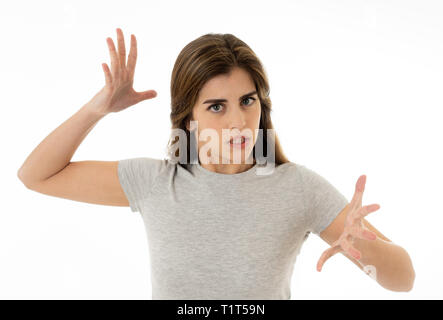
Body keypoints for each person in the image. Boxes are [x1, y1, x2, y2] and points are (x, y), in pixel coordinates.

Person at [17, 28, 415, 299]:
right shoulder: (156, 182)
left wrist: (361, 249)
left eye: (247, 101)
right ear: (188, 118)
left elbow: (405, 279)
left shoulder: (298, 188)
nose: (238, 123)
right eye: (216, 107)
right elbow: (35, 175)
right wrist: (97, 108)